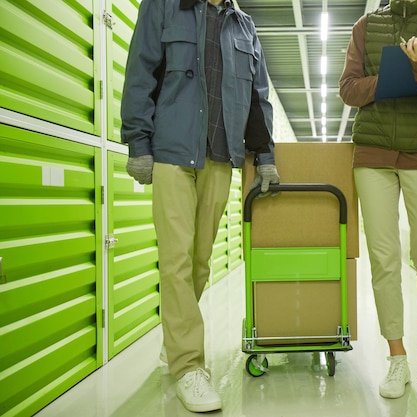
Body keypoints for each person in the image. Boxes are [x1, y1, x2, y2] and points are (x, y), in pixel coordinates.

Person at [120, 0, 279, 412]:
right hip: (172, 151)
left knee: (200, 261)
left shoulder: (244, 26)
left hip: (220, 156)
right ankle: (189, 364)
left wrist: (265, 156)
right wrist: (138, 141)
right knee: (175, 258)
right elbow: (141, 70)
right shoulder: (164, 6)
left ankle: (175, 339)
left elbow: (258, 98)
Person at [339, 0, 417, 399]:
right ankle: (396, 356)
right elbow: (348, 89)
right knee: (383, 257)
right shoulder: (365, 25)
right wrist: (392, 77)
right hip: (372, 155)